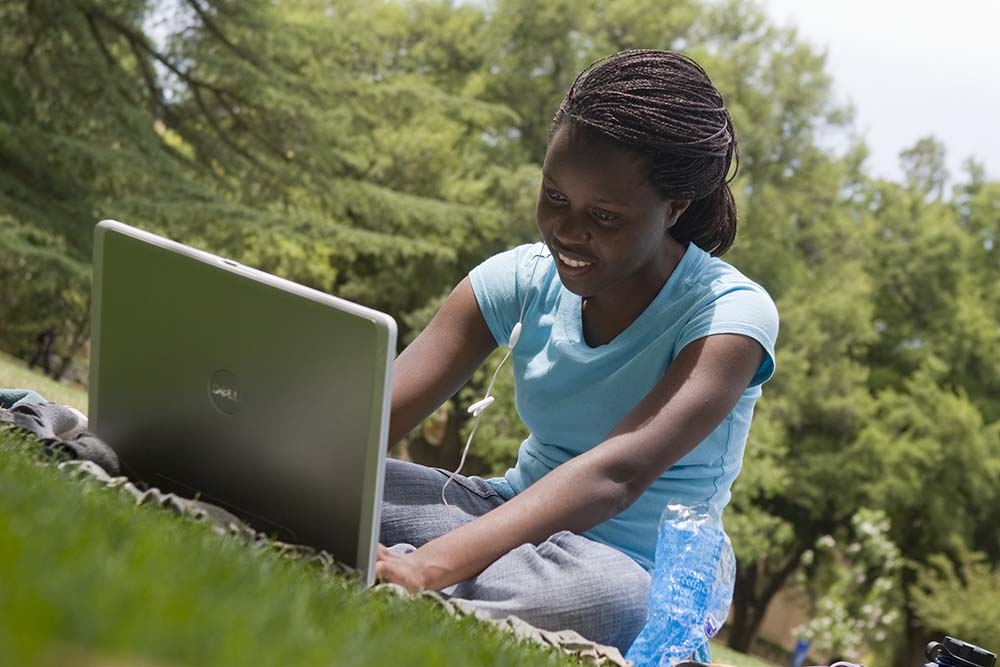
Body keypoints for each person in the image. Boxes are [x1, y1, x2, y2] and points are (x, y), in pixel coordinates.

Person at [375, 49, 779, 653]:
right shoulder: (519, 278)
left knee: (613, 600)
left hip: (620, 567)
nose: (568, 230)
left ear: (675, 208)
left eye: (606, 216)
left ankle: (396, 571)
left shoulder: (729, 317)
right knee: (353, 483)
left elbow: (617, 474)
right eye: (555, 198)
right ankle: (405, 570)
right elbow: (373, 420)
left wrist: (432, 563)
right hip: (502, 521)